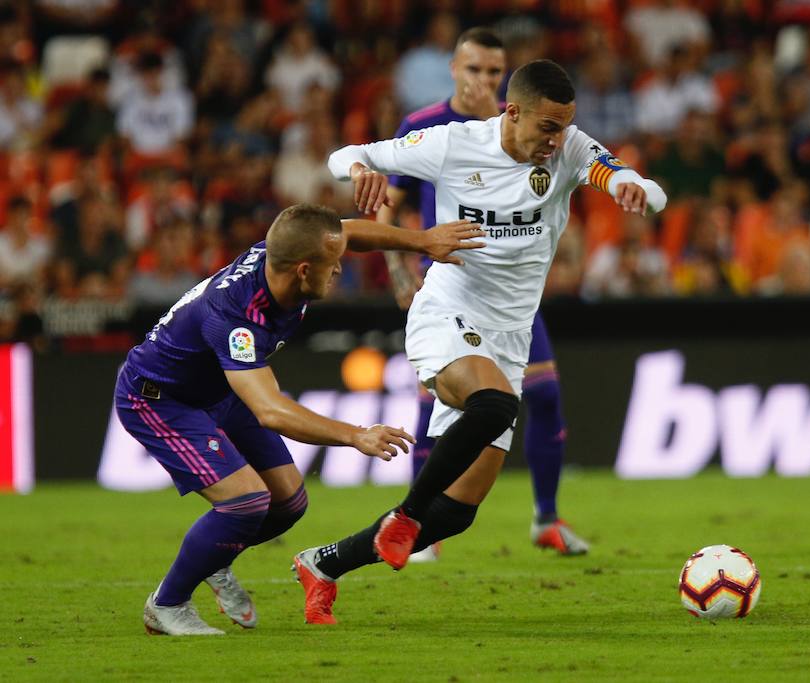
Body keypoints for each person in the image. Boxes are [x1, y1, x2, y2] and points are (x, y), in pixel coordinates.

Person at [294, 59, 667, 624]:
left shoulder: (567, 149)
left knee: (457, 512)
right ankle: (405, 516)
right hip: (446, 311)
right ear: (512, 112)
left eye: (564, 126)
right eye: (547, 126)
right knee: (495, 404)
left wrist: (634, 189)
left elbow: (624, 178)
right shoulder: (452, 144)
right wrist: (357, 169)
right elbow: (347, 154)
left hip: (510, 337)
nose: (556, 139)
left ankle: (322, 565)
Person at [114, 203, 484, 636]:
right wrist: (356, 435)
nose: (340, 269)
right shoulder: (236, 318)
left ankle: (213, 558)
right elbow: (269, 409)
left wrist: (421, 240)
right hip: (160, 399)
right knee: (246, 501)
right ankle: (167, 604)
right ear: (304, 270)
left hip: (218, 388)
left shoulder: (286, 255)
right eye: (332, 266)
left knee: (289, 503)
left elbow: (347, 233)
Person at [377, 27, 589, 561]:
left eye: (494, 73)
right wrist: (401, 272)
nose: (484, 81)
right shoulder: (425, 127)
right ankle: (417, 524)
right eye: (475, 70)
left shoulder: (524, 129)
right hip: (450, 284)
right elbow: (386, 201)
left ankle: (546, 517)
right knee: (444, 403)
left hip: (511, 292)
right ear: (454, 69)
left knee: (543, 393)